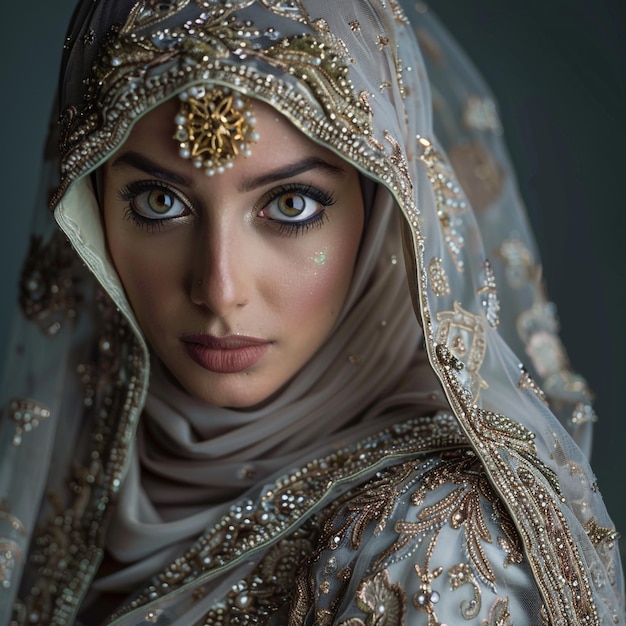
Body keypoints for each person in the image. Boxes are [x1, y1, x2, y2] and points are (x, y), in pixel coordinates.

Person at [0, 0, 623, 624]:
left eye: (292, 205)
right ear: (89, 206)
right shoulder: (67, 475)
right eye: (160, 202)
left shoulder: (432, 537)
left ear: (383, 214)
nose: (219, 289)